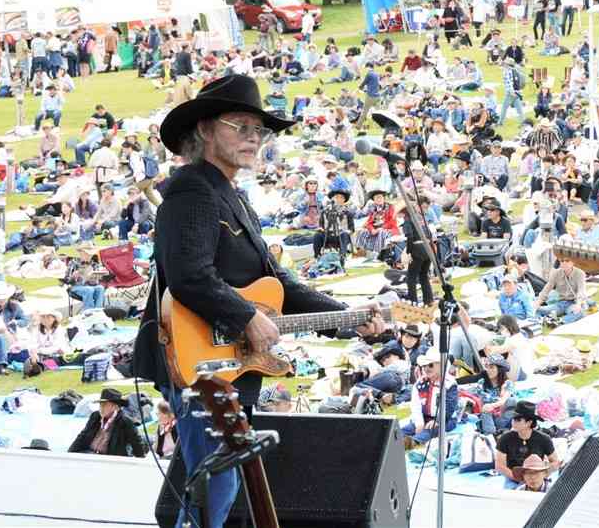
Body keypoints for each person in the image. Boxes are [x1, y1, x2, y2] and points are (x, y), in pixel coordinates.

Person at [132, 75, 384, 528]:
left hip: (227, 364)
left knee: (221, 492)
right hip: (200, 361)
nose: (253, 138)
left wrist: (349, 318)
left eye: (259, 130)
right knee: (215, 491)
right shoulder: (192, 191)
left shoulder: (233, 197)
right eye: (240, 125)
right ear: (206, 130)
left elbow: (277, 285)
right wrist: (246, 315)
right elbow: (189, 275)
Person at [400, 347, 458, 446]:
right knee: (408, 428)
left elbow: (449, 407)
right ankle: (394, 439)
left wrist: (438, 421)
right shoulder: (420, 383)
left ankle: (413, 441)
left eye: (430, 365)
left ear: (441, 366)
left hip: (445, 419)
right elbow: (415, 405)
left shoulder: (449, 383)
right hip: (424, 416)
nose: (426, 369)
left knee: (432, 430)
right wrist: (419, 422)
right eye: (424, 366)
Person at [496, 401, 559, 489]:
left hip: (537, 477)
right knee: (510, 498)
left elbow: (555, 462)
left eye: (518, 420)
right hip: (513, 478)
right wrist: (520, 479)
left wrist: (543, 475)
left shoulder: (544, 439)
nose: (513, 422)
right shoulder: (505, 438)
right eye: (513, 419)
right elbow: (499, 465)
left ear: (529, 422)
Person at [68, 388, 146, 457]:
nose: (101, 408)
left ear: (115, 407)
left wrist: (140, 461)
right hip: (89, 454)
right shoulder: (95, 416)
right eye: (100, 405)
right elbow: (82, 436)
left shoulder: (125, 422)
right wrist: (70, 453)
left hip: (109, 459)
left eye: (104, 405)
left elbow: (137, 444)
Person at [532, 257, 589, 324]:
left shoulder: (580, 273)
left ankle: (558, 322)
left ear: (573, 262)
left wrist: (578, 304)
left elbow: (581, 290)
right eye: (562, 261)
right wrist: (537, 303)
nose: (564, 263)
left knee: (579, 312)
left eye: (567, 261)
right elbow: (547, 289)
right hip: (561, 303)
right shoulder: (556, 273)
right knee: (536, 309)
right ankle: (542, 320)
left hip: (574, 302)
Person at [401, 202, 435, 306]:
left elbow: (410, 237)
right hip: (428, 248)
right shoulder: (421, 218)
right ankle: (429, 300)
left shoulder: (408, 220)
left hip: (418, 249)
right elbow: (430, 234)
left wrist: (409, 252)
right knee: (424, 275)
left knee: (411, 276)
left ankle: (413, 301)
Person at [485, 314, 535, 382]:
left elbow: (494, 351)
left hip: (522, 373)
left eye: (502, 328)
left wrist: (486, 343)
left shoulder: (515, 340)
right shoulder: (518, 335)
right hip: (523, 370)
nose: (501, 331)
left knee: (494, 364)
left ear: (508, 326)